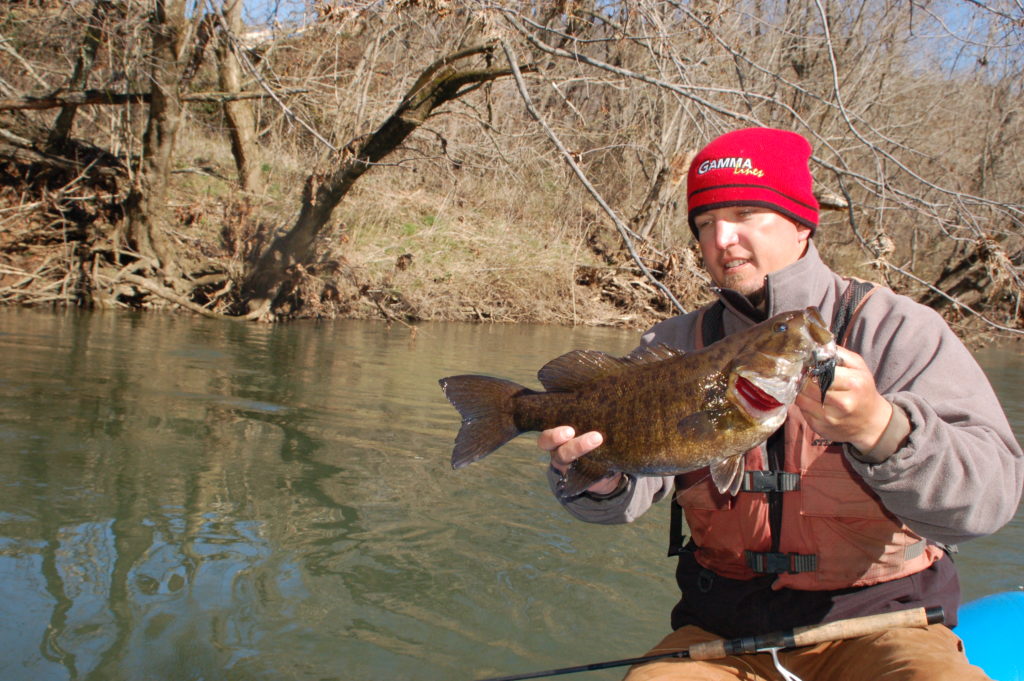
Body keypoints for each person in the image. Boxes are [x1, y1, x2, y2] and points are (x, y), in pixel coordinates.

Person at [537, 127, 1024, 680]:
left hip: (882, 625)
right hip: (720, 635)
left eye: (745, 214)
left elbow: (990, 502)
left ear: (800, 223)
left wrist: (884, 431)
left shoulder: (899, 331)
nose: (722, 239)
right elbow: (626, 496)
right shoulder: (669, 346)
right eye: (704, 224)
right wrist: (598, 480)